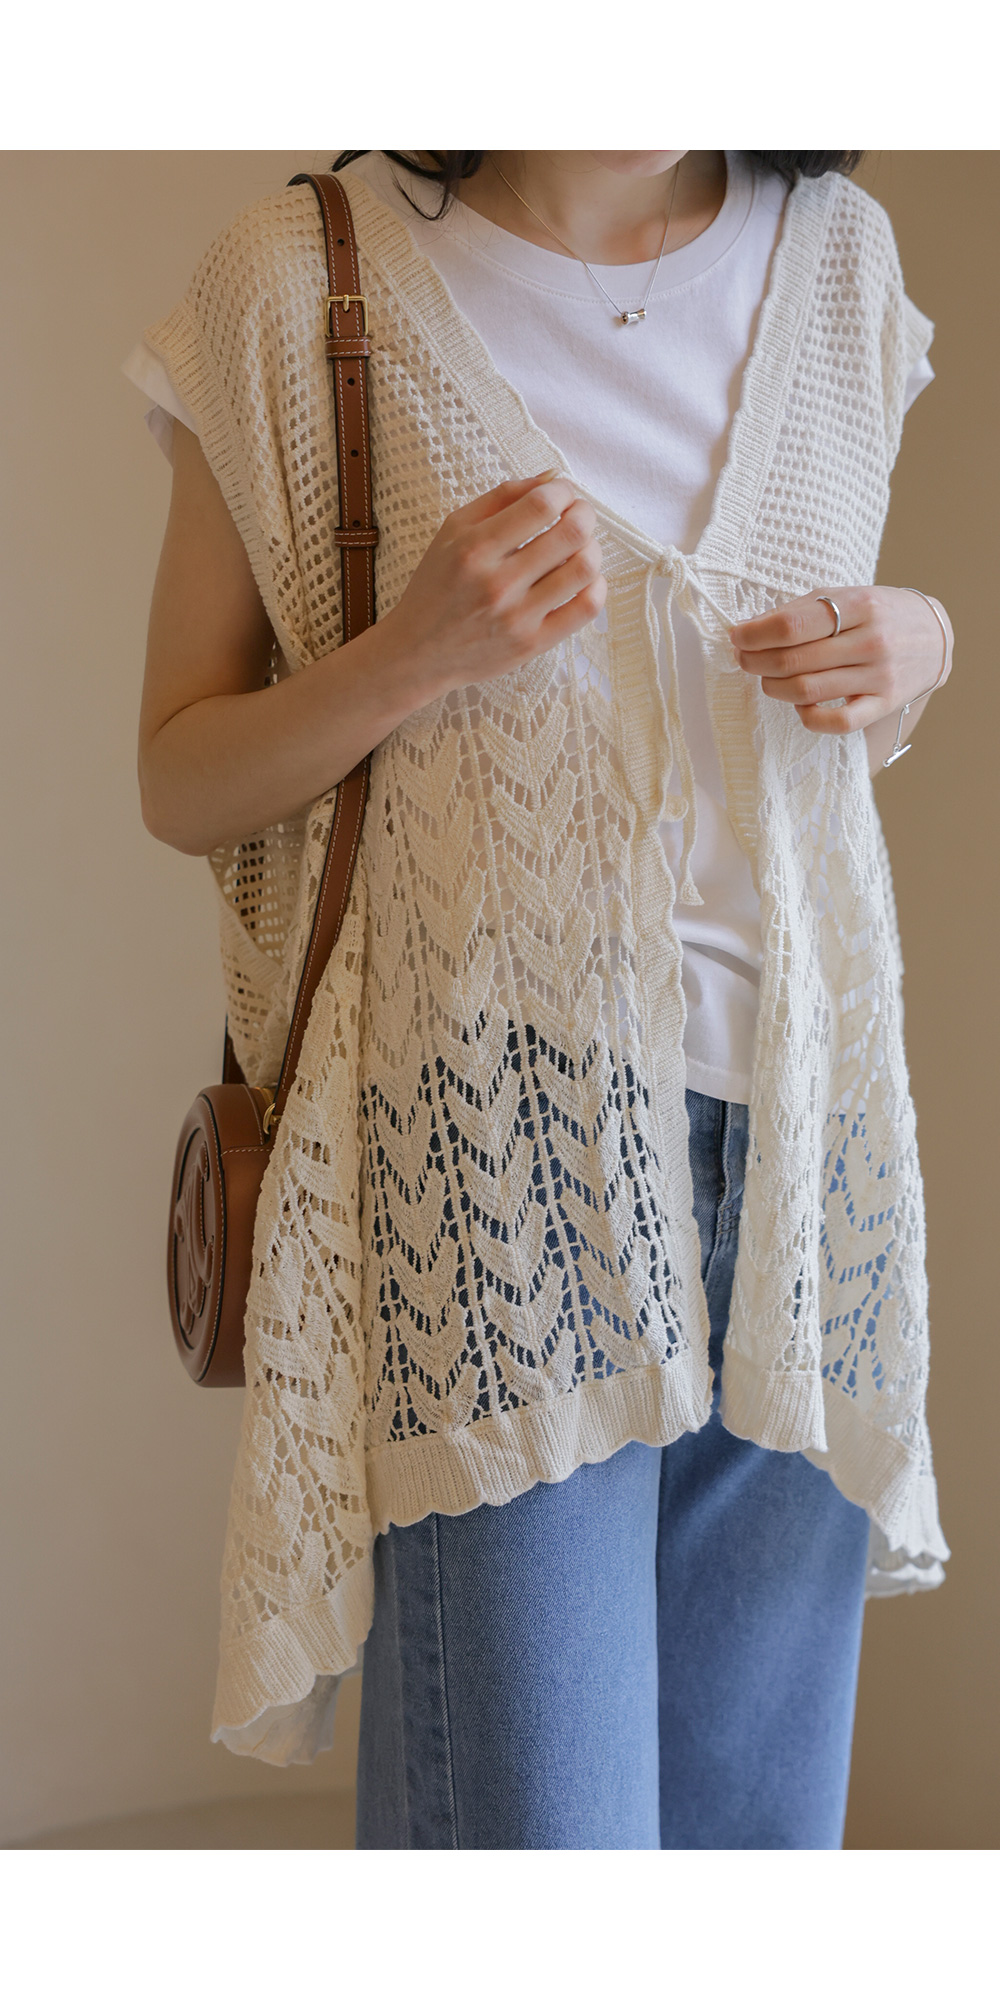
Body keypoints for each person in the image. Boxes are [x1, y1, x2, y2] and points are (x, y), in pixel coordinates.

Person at [127, 150, 952, 1849]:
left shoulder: (840, 260)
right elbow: (180, 776)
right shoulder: (302, 275)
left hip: (804, 1176)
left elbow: (791, 749)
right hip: (500, 1171)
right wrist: (409, 654)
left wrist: (920, 648)